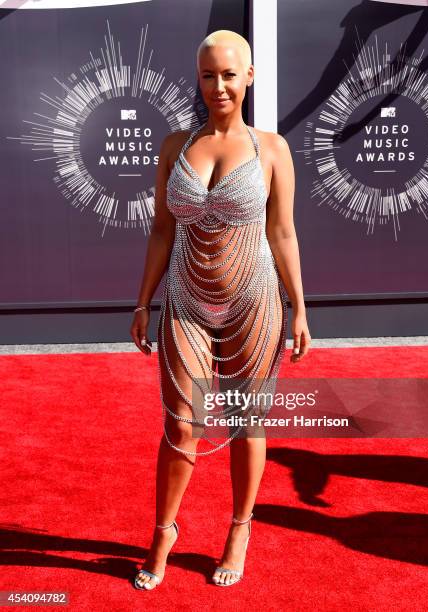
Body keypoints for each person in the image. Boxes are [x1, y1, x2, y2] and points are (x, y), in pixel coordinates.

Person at [130, 29, 311, 590]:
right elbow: (162, 230)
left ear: (249, 77)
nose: (219, 86)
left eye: (230, 75)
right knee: (181, 422)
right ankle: (164, 530)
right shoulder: (174, 146)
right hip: (183, 299)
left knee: (245, 420)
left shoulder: (271, 148)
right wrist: (141, 302)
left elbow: (282, 233)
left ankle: (239, 527)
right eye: (208, 75)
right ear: (198, 77)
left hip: (254, 302)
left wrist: (301, 309)